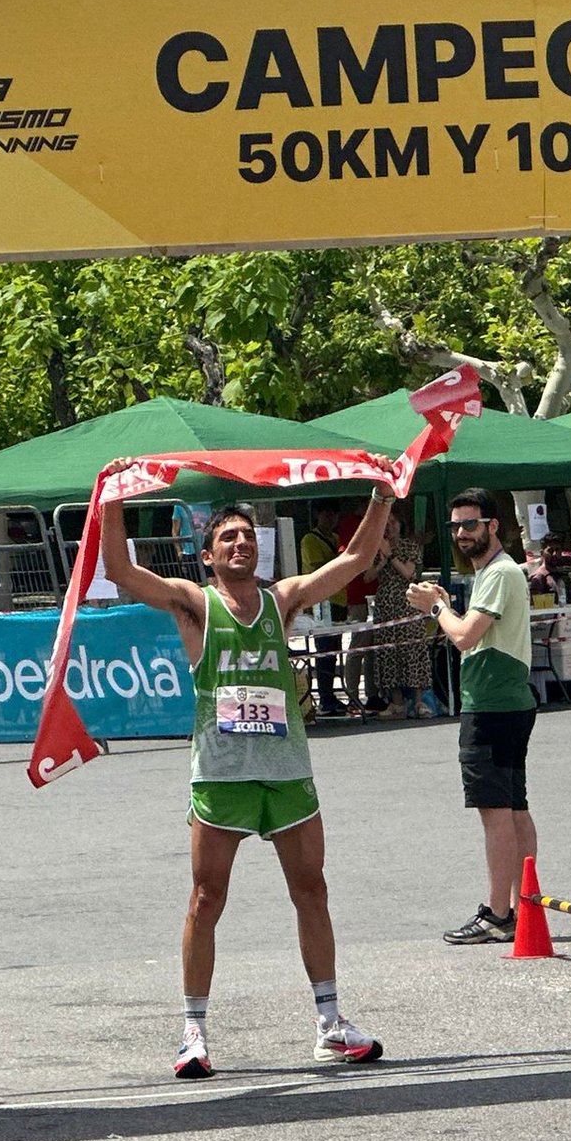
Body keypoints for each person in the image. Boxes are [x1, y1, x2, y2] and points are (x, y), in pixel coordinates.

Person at [101, 456, 396, 1078]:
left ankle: (330, 1023)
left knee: (311, 890)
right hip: (221, 776)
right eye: (227, 537)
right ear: (207, 555)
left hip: (287, 773)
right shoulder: (193, 604)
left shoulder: (281, 599)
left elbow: (354, 562)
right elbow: (120, 571)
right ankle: (193, 1032)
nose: (240, 543)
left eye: (248, 536)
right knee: (207, 898)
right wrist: (114, 495)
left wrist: (383, 496)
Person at [407, 487, 537, 946]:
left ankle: (499, 913)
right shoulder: (492, 573)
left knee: (496, 811)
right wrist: (447, 604)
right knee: (514, 807)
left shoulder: (499, 572)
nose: (462, 533)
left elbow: (463, 636)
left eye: (471, 524)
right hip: (505, 702)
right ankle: (526, 909)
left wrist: (437, 608)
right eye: (456, 526)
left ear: (493, 526)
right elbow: (478, 634)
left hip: (493, 706)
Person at [368, 508, 433, 720]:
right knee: (389, 652)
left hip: (407, 602)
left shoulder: (408, 546)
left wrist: (391, 555)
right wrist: (381, 560)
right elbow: (367, 577)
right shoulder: (375, 547)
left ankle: (419, 701)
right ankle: (396, 702)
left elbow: (408, 573)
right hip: (385, 604)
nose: (390, 525)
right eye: (386, 522)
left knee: (412, 648)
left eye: (393, 521)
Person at [300, 499, 351, 716]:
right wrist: (338, 559)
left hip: (340, 599)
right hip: (321, 601)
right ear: (318, 515)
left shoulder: (337, 538)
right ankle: (325, 699)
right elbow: (316, 569)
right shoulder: (310, 540)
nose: (331, 518)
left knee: (333, 652)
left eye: (334, 514)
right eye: (326, 514)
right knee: (323, 651)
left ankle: (332, 695)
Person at [338, 501, 381, 714]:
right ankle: (352, 695)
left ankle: (372, 694)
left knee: (373, 648)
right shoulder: (351, 525)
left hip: (377, 593)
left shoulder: (379, 524)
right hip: (358, 596)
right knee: (358, 646)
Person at [528, 532, 571, 608]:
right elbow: (535, 606)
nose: (554, 554)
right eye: (550, 550)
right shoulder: (539, 577)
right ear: (542, 553)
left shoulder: (564, 574)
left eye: (557, 550)